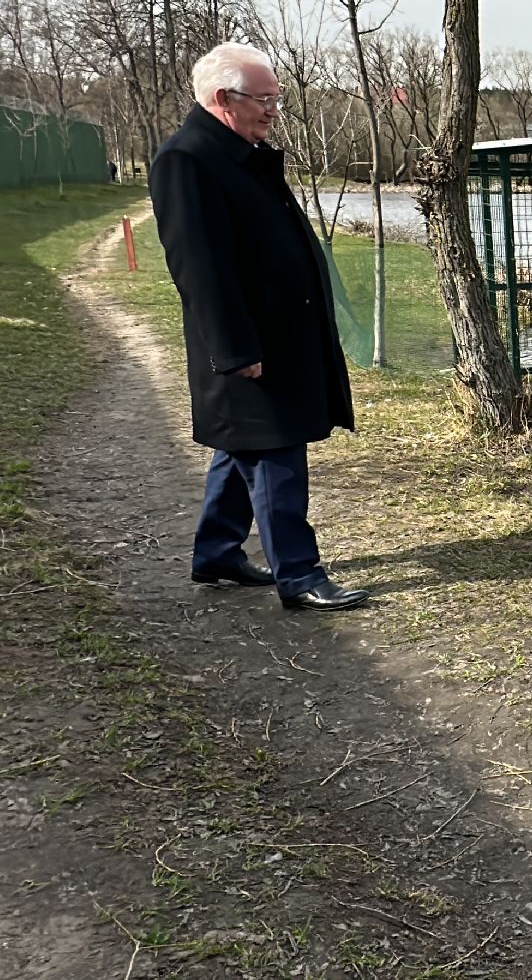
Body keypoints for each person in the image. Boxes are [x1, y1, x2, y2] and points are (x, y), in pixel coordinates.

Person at [148, 42, 369, 612]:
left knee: (240, 445)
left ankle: (218, 552)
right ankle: (299, 575)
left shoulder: (244, 151)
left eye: (277, 99)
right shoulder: (188, 160)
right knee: (274, 452)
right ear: (223, 99)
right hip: (247, 342)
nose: (274, 110)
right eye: (264, 99)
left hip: (280, 335)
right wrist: (235, 348)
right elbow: (199, 268)